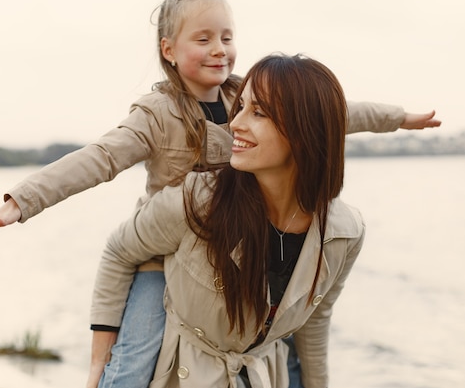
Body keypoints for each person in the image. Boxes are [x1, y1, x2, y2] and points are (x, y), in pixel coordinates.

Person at [0, 0, 440, 388]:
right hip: (161, 254)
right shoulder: (157, 114)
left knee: (282, 333)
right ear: (169, 50)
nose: (219, 49)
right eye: (202, 39)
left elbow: (334, 113)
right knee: (136, 356)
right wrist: (20, 202)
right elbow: (100, 158)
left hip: (237, 233)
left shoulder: (241, 95)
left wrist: (399, 118)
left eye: (226, 36)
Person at [93, 52, 362, 388]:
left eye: (259, 112)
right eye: (242, 107)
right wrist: (100, 367)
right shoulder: (197, 201)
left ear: (305, 132)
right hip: (181, 373)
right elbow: (120, 250)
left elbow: (315, 320)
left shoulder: (343, 233)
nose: (235, 123)